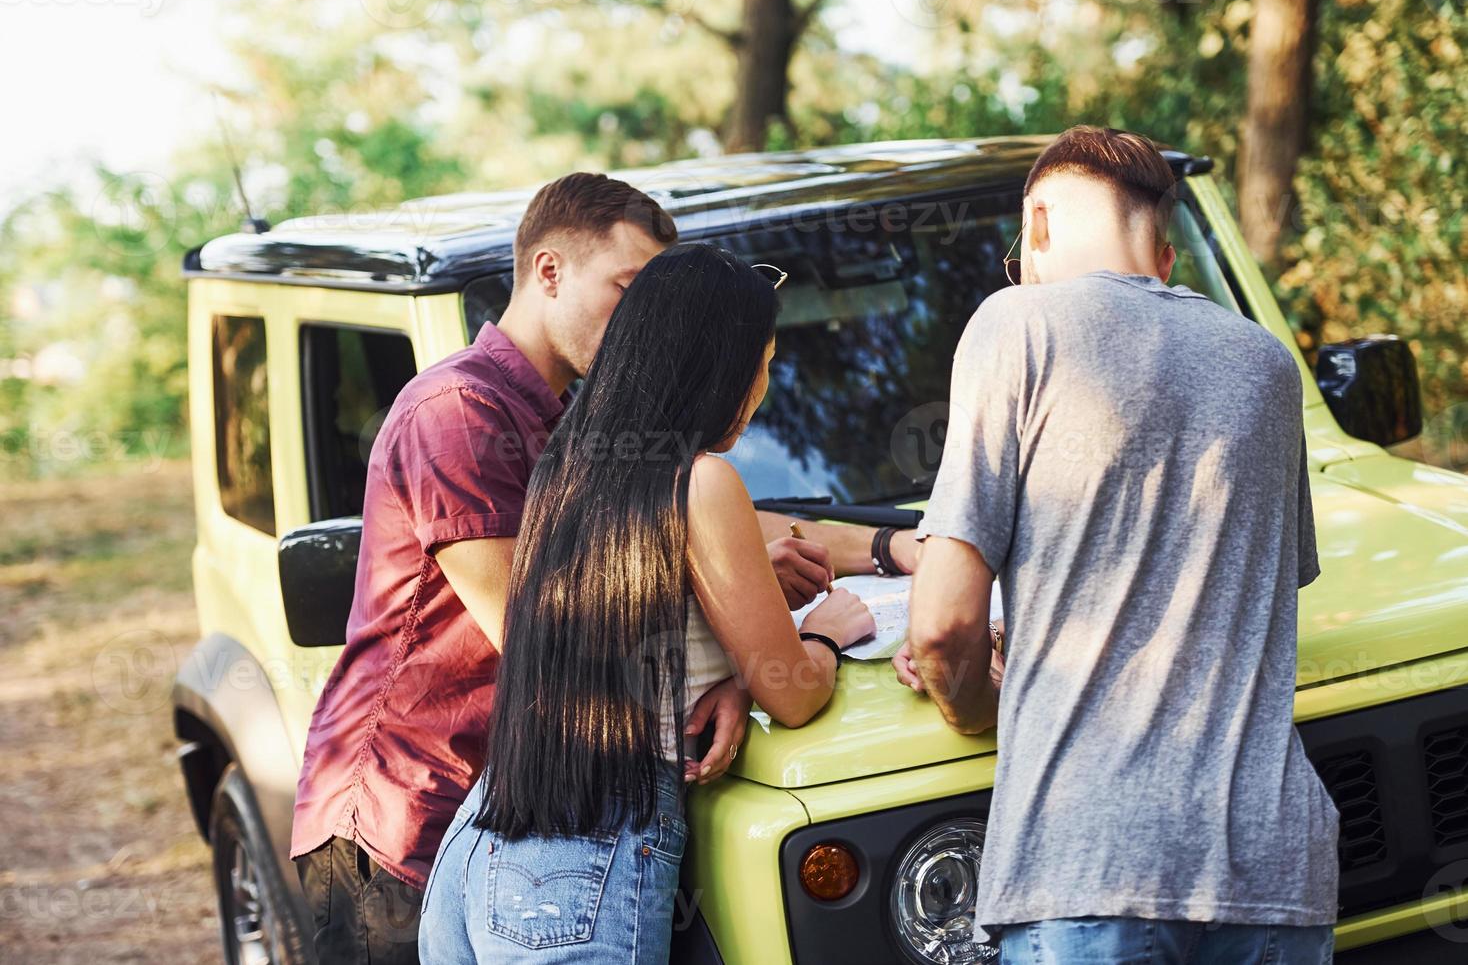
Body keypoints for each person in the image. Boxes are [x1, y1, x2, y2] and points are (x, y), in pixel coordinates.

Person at [291, 173, 912, 964]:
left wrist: (881, 549)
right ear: (548, 272)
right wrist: (757, 645)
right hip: (412, 812)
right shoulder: (458, 414)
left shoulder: (580, 436)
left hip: (517, 806)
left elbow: (684, 523)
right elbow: (545, 634)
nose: (639, 317)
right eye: (627, 286)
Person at [894, 126, 1338, 963]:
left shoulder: (1015, 324)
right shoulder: (1267, 363)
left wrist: (982, 701)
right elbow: (1239, 590)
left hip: (1092, 866)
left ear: (1040, 224)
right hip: (1276, 870)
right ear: (1166, 256)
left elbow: (942, 626)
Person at [418, 244, 875, 964]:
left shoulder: (571, 468)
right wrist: (823, 634)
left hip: (484, 842)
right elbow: (796, 698)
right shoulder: (702, 481)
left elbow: (629, 625)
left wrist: (728, 672)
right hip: (586, 862)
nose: (762, 389)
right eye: (764, 362)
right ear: (720, 366)